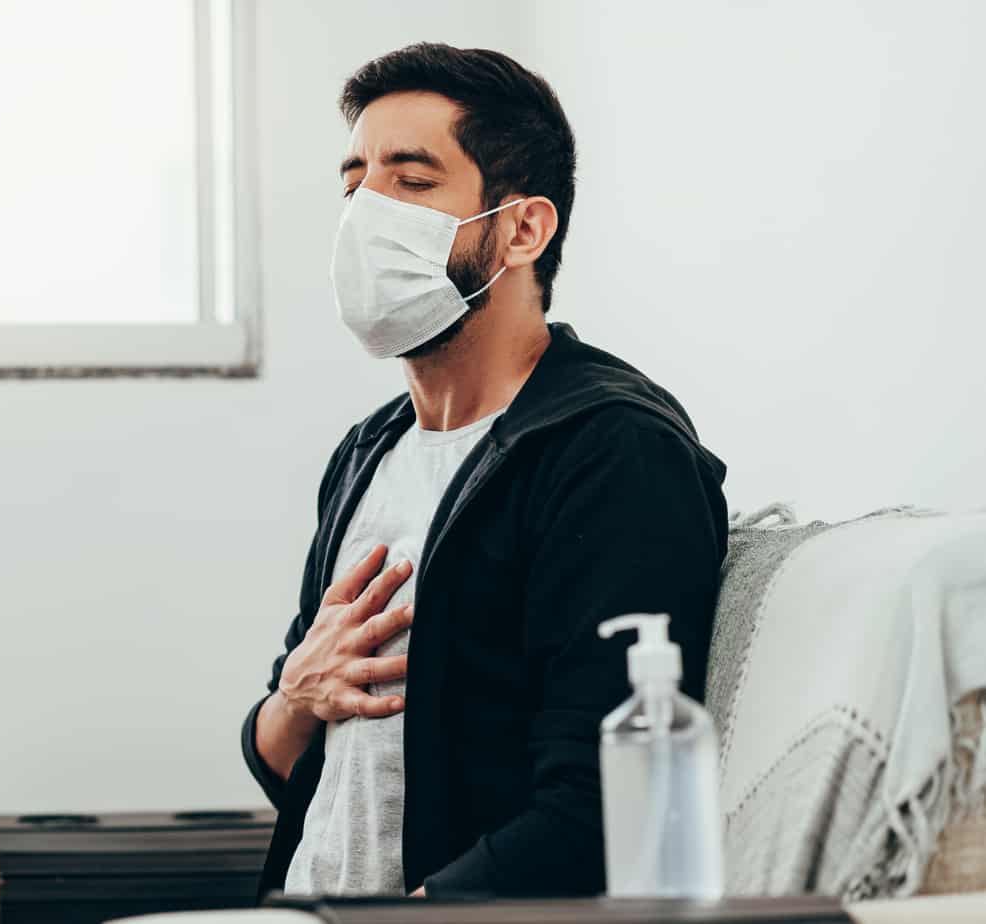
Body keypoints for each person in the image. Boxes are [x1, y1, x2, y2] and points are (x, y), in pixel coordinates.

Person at [239, 42, 729, 901]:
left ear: (523, 229)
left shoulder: (612, 450)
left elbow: (596, 811)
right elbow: (294, 766)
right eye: (354, 185)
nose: (367, 214)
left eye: (410, 181)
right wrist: (295, 697)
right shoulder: (368, 451)